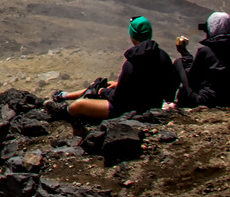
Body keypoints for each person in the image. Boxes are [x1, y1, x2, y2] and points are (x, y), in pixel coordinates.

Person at [49, 16, 181, 121]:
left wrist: (103, 92)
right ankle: (64, 95)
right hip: (152, 103)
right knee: (109, 84)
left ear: (132, 36)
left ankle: (64, 113)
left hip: (128, 108)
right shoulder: (163, 56)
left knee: (78, 105)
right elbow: (160, 86)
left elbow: (119, 99)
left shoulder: (132, 62)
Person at [176, 11, 230, 107]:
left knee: (179, 63)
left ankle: (173, 102)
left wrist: (184, 53)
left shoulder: (206, 51)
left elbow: (192, 77)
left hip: (209, 100)